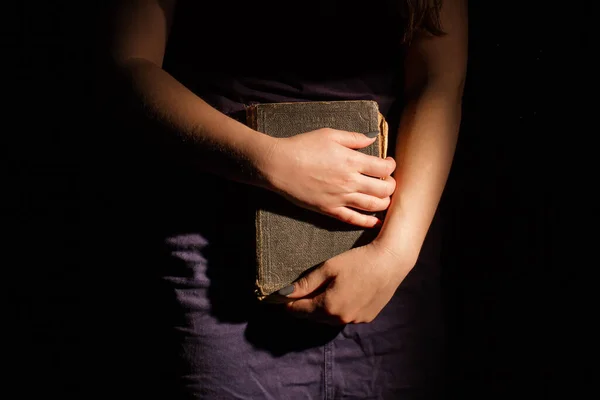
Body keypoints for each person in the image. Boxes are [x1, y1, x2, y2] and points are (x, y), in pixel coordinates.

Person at [97, 0, 467, 398]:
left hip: (386, 268)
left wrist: (394, 255)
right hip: (219, 263)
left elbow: (438, 81)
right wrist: (273, 163)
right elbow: (127, 63)